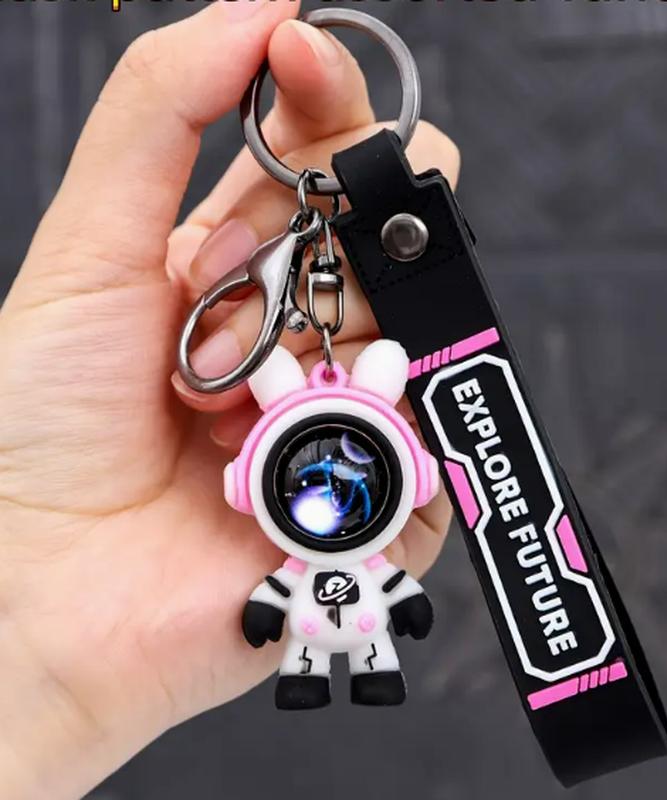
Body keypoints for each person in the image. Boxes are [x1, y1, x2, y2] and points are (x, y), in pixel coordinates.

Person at [0, 2, 458, 798]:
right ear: (250, 483)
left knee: (367, 648)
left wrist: (43, 683)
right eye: (320, 476)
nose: (329, 487)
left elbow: (372, 594)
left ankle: (363, 671)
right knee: (318, 654)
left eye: (346, 475)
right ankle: (328, 675)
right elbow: (293, 594)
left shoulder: (335, 536)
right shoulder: (299, 544)